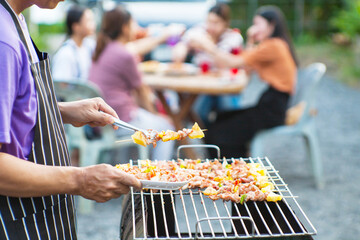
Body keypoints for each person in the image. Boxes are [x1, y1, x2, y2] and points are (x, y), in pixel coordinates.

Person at [0, 0, 141, 238]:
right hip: (16, 217)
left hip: (39, 208)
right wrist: (81, 179)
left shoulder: (15, 19)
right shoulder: (4, 43)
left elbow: (12, 104)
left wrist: (60, 110)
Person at [190, 5, 298, 158]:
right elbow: (247, 63)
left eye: (258, 24)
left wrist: (209, 47)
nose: (253, 29)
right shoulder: (274, 45)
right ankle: (231, 163)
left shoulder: (272, 46)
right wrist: (251, 40)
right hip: (272, 105)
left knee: (218, 130)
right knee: (221, 118)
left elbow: (233, 62)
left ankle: (230, 169)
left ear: (272, 25)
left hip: (272, 109)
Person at [89, 6, 175, 160]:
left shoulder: (103, 48)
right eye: (133, 24)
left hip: (101, 121)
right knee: (167, 128)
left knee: (154, 123)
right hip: (119, 119)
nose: (136, 29)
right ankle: (160, 178)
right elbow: (141, 90)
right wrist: (154, 114)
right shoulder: (124, 53)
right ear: (124, 27)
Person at [172, 2, 244, 126]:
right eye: (209, 21)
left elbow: (228, 64)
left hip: (225, 86)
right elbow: (177, 55)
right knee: (196, 112)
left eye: (216, 23)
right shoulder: (198, 32)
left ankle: (221, 137)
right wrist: (183, 46)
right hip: (202, 86)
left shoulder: (233, 38)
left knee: (229, 112)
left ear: (225, 23)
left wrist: (207, 46)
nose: (211, 26)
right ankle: (207, 138)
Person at [51, 5, 96, 82]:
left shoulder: (89, 46)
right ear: (76, 26)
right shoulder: (66, 54)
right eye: (88, 21)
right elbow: (61, 87)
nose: (93, 25)